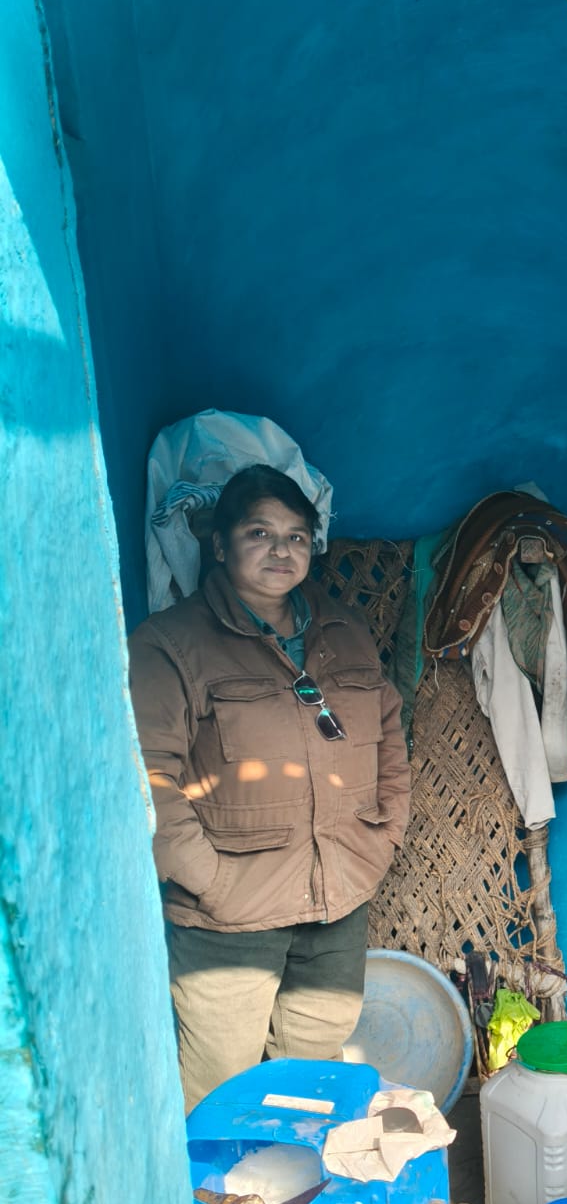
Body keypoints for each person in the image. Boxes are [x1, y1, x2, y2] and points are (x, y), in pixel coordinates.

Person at [129, 465, 411, 1111]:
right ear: (219, 544)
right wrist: (211, 880)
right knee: (220, 1089)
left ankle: (289, 1175)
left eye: (296, 536)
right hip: (230, 915)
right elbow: (147, 776)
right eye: (259, 533)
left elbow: (389, 737)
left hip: (338, 898)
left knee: (310, 1079)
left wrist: (382, 839)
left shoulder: (344, 632)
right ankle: (220, 1181)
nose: (281, 550)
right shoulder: (170, 644)